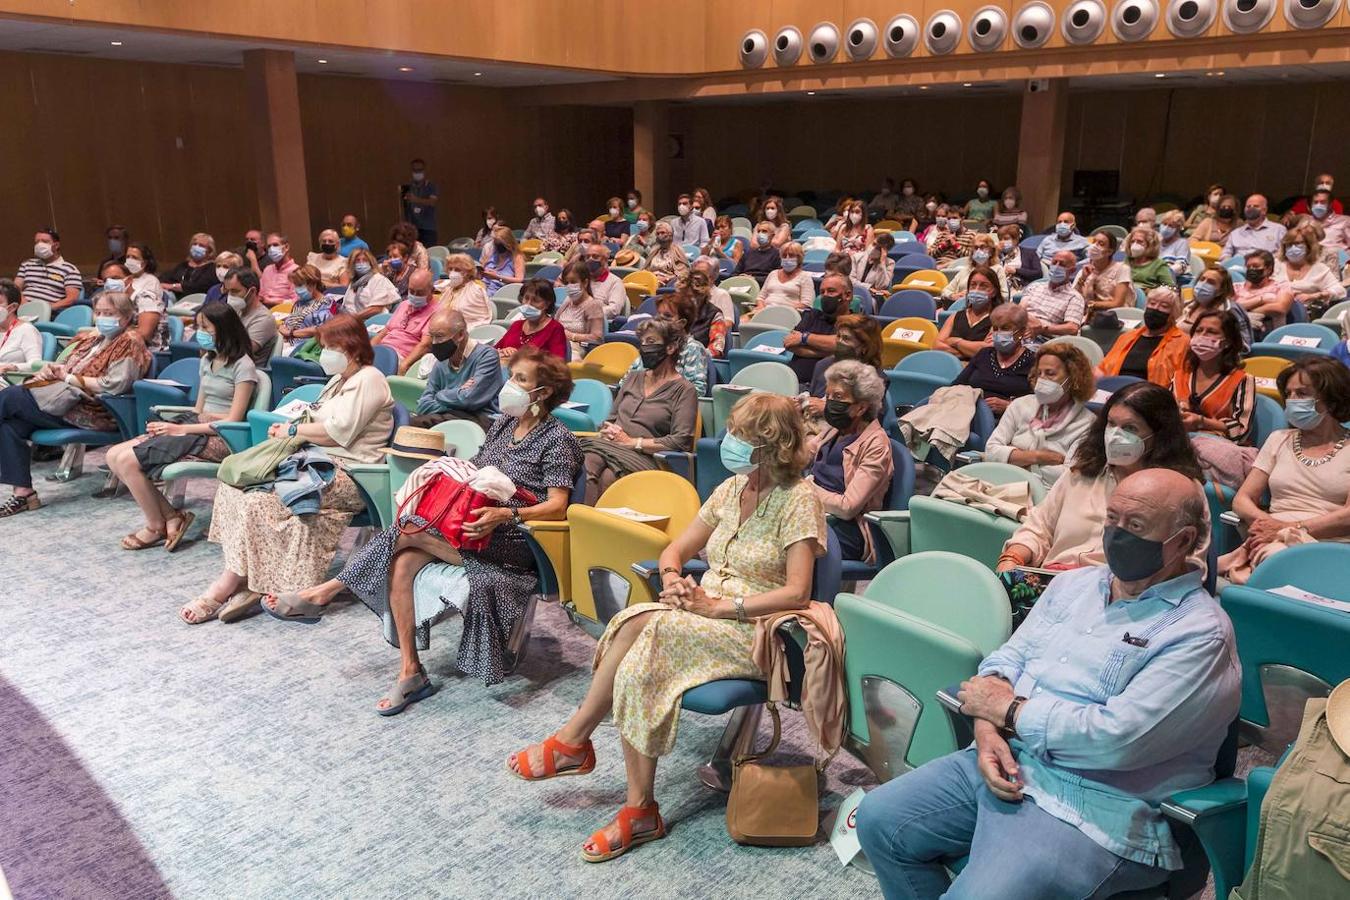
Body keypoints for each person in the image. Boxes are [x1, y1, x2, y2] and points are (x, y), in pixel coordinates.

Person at [858, 468, 1237, 900]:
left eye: (1135, 527)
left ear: (1183, 541)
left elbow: (1118, 738)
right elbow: (1006, 661)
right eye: (1112, 520)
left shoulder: (1200, 633)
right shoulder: (1074, 585)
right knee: (880, 820)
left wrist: (1010, 713)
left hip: (1096, 806)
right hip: (1009, 760)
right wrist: (985, 732)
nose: (1117, 535)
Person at [506, 392, 827, 861]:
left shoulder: (799, 500)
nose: (728, 440)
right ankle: (636, 807)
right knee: (636, 641)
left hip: (756, 627)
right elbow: (673, 551)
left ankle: (579, 746)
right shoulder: (731, 489)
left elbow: (798, 593)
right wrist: (675, 580)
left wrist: (720, 606)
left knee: (644, 627)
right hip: (701, 612)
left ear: (770, 444)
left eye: (741, 434)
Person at [268, 346, 583, 694]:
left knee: (406, 529)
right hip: (469, 526)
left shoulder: (559, 440)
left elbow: (557, 506)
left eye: (521, 380)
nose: (511, 386)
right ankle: (410, 670)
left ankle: (324, 593)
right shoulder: (504, 424)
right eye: (512, 377)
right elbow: (475, 468)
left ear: (545, 391)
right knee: (402, 563)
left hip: (516, 539)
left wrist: (504, 514)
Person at [182, 314, 394, 623]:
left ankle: (228, 586)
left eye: (331, 346)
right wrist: (290, 425)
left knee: (259, 499)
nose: (324, 354)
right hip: (315, 461)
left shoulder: (370, 378)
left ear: (352, 347)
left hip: (353, 474)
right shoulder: (338, 380)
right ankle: (251, 577)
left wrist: (294, 432)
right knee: (236, 489)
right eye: (324, 346)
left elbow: (338, 432)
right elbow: (314, 418)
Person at [997, 381, 1205, 572]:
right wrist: (1013, 557)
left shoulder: (1182, 491)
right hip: (1053, 583)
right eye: (1111, 424)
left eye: (1130, 428)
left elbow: (1188, 565)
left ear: (1159, 435)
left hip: (1123, 597)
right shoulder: (1083, 472)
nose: (1115, 435)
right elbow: (1039, 527)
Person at [104, 304, 259, 550]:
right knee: (113, 456)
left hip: (221, 437)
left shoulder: (244, 366)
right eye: (199, 326)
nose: (200, 332)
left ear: (224, 329)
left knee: (127, 461)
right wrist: (173, 424)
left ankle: (156, 525)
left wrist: (182, 430)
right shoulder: (207, 359)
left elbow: (234, 419)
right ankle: (172, 516)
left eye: (206, 327)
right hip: (196, 427)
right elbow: (198, 410)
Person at [0, 291, 152, 517]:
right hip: (61, 400)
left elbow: (116, 385)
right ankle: (24, 494)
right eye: (98, 312)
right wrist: (50, 370)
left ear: (127, 316)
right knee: (9, 425)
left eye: (109, 313)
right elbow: (66, 368)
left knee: (12, 395)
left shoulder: (130, 342)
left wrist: (69, 379)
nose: (102, 317)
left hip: (94, 410)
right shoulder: (94, 338)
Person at [1222, 356, 1350, 582]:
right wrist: (1266, 524)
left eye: (1301, 394)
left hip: (1328, 546)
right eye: (1288, 395)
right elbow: (1242, 499)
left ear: (1331, 399)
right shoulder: (1279, 439)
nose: (1292, 401)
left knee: (1273, 559)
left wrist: (1289, 528)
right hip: (1269, 539)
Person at [581, 318, 698, 503]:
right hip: (610, 445)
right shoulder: (633, 378)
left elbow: (681, 441)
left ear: (670, 348)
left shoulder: (685, 390)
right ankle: (579, 521)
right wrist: (607, 429)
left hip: (645, 456)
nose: (644, 348)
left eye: (650, 342)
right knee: (585, 462)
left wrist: (634, 442)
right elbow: (611, 418)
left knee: (609, 478)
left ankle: (595, 527)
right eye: (642, 342)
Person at [807, 360, 894, 562]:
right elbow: (804, 453)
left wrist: (805, 490)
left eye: (837, 397)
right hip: (816, 513)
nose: (829, 403)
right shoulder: (835, 429)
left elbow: (848, 507)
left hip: (849, 529)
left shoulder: (876, 444)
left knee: (787, 539)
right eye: (827, 396)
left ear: (861, 407)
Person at [984, 343, 1096, 490]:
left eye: (1050, 373)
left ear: (1072, 378)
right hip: (1002, 483)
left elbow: (1069, 476)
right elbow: (991, 451)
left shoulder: (1087, 423)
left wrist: (1012, 456)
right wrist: (1039, 457)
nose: (1041, 380)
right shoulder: (1020, 405)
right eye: (1039, 373)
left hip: (1048, 495)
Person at [1174, 308, 1257, 482]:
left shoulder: (1242, 380)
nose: (1202, 336)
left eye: (1211, 332)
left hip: (1219, 451)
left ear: (1227, 342)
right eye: (1199, 330)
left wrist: (1200, 422)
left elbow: (1241, 430)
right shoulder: (1179, 375)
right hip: (1181, 445)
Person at [411, 308, 503, 430]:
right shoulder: (441, 361)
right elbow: (423, 405)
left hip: (480, 419)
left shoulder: (487, 356)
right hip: (448, 416)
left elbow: (469, 399)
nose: (434, 343)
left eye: (439, 336)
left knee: (416, 424)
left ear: (460, 335)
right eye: (432, 336)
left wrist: (439, 394)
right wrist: (458, 392)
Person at [954, 303, 1035, 415]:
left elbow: (1039, 403)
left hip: (1009, 420)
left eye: (1005, 328)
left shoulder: (1034, 361)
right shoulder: (984, 354)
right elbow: (956, 385)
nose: (999, 333)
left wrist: (1009, 405)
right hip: (969, 413)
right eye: (996, 328)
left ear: (1021, 332)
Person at [1098, 286, 1189, 386]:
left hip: (1151, 396)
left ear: (1173, 313)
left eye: (1164, 306)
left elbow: (1182, 382)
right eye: (1152, 303)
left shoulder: (1182, 342)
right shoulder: (1127, 337)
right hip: (1115, 391)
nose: (1155, 308)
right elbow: (1103, 368)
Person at [623, 290, 710, 395]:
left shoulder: (692, 348)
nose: (660, 320)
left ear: (682, 323)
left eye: (667, 316)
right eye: (658, 314)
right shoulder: (650, 344)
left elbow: (697, 391)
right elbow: (625, 382)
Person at [806, 314, 884, 406]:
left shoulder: (875, 378)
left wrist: (826, 409)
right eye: (838, 336)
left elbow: (870, 417)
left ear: (865, 346)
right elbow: (813, 397)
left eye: (846, 338)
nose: (840, 342)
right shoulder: (823, 365)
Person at [784, 272, 848, 385]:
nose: (825, 295)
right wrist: (829, 353)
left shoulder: (857, 322)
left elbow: (841, 344)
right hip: (794, 383)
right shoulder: (811, 315)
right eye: (822, 292)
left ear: (847, 295)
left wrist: (804, 338)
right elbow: (789, 343)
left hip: (828, 389)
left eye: (831, 291)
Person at [372, 269, 438, 374]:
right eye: (411, 291)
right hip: (382, 350)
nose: (414, 295)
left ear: (432, 290)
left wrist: (405, 365)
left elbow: (425, 345)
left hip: (401, 357)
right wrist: (367, 350)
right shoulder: (404, 304)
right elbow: (384, 332)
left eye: (420, 292)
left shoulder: (437, 313)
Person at [1178, 265, 1253, 352]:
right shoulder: (1189, 305)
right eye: (1202, 279)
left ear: (1220, 291)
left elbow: (1244, 346)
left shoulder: (1230, 310)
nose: (1203, 284)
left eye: (1211, 282)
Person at [1276, 228, 1345, 320]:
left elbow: (1340, 291)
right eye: (1289, 244)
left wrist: (1315, 295)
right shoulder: (1275, 264)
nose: (1293, 248)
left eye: (1298, 244)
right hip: (1275, 311)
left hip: (1307, 314)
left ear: (1309, 246)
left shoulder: (1319, 268)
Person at [937, 265, 1003, 360]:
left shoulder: (999, 319)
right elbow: (937, 346)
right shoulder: (955, 316)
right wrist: (971, 350)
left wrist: (955, 341)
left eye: (984, 286)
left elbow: (987, 351)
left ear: (994, 292)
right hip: (948, 365)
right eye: (973, 285)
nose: (977, 289)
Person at [1021, 250, 1087, 343]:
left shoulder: (1074, 297)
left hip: (1046, 340)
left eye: (1062, 265)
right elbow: (1020, 309)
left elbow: (1072, 328)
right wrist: (1030, 321)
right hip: (1022, 332)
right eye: (1054, 262)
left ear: (1072, 271)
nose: (1056, 267)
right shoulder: (1035, 286)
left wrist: (1043, 328)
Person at [220, 267, 279, 367]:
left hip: (249, 373)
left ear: (252, 291)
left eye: (235, 291)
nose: (230, 296)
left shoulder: (264, 318)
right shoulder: (236, 310)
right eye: (228, 291)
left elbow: (241, 352)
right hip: (227, 368)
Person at [497, 278, 567, 360]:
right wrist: (502, 351)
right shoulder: (517, 325)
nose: (528, 304)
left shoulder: (555, 328)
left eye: (535, 300)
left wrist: (520, 357)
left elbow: (557, 364)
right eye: (526, 298)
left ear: (547, 304)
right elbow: (494, 350)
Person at [15, 227, 81, 311]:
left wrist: (46, 309)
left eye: (44, 241)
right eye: (37, 242)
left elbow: (71, 299)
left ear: (56, 245)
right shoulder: (27, 264)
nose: (39, 245)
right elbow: (15, 288)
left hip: (49, 312)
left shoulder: (70, 269)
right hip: (21, 308)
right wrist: (24, 303)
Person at [1233, 250, 1294, 338]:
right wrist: (1262, 300)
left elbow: (1280, 308)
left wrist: (1243, 313)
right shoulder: (1236, 287)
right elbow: (1228, 309)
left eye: (1256, 266)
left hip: (1269, 334)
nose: (1251, 269)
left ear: (1268, 269)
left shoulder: (1281, 286)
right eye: (1248, 267)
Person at [940, 235, 1010, 306]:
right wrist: (953, 296)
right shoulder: (966, 270)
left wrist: (980, 296)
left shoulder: (997, 269)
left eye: (982, 247)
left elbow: (1005, 296)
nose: (979, 251)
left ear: (991, 251)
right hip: (961, 307)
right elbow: (945, 291)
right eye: (976, 248)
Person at [123, 243, 169, 351]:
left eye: (134, 257)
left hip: (146, 343)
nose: (130, 260)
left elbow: (145, 331)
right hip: (126, 333)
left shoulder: (150, 282)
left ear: (144, 263)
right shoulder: (125, 280)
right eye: (128, 257)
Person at [1074, 230, 1134, 312]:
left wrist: (1091, 304)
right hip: (1090, 314)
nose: (1094, 246)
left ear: (1109, 252)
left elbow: (1118, 303)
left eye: (1101, 244)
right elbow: (1073, 297)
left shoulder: (1122, 269)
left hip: (1115, 315)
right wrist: (1083, 278)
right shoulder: (1085, 269)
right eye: (1094, 242)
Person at [556, 260, 605, 360]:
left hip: (576, 350)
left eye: (573, 282)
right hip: (557, 344)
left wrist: (572, 336)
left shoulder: (593, 305)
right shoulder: (567, 301)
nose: (569, 286)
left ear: (585, 282)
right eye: (567, 282)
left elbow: (597, 338)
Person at [277, 264, 332, 348]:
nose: (296, 289)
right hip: (285, 343)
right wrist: (281, 327)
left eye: (299, 285)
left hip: (306, 347)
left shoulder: (327, 303)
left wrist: (291, 333)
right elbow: (289, 322)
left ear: (313, 284)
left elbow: (322, 329)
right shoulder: (299, 303)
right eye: (295, 285)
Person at [338, 248, 399, 322]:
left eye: (365, 260)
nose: (361, 263)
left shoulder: (378, 279)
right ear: (352, 264)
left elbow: (376, 308)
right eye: (357, 261)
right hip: (352, 321)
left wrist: (352, 318)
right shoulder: (354, 282)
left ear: (371, 263)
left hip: (372, 322)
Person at [437, 253, 493, 331]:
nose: (453, 273)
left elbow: (481, 321)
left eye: (457, 270)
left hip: (466, 333)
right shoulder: (449, 288)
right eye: (450, 269)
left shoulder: (476, 291)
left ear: (468, 272)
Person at [752, 242, 815, 311]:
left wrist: (782, 310)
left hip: (788, 314)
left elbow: (806, 303)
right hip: (764, 311)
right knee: (742, 320)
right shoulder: (773, 273)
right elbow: (760, 297)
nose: (787, 258)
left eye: (791, 255)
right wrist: (761, 307)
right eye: (784, 256)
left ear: (799, 258)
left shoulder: (805, 277)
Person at [1222, 194, 1286, 259]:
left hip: (1266, 267)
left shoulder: (1279, 230)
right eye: (1248, 206)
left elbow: (1283, 254)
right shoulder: (1235, 233)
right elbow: (1225, 254)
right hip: (1237, 267)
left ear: (1264, 210)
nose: (1251, 209)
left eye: (1256, 206)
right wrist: (1227, 262)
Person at [0, 280, 42, 372]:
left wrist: (12, 367)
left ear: (13, 307)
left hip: (9, 380)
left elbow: (35, 365)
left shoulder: (27, 330)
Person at [160, 233, 219, 298]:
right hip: (177, 300)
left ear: (210, 250)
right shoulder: (183, 266)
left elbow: (200, 286)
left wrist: (173, 286)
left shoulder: (212, 268)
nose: (197, 247)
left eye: (201, 245)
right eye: (195, 244)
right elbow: (166, 279)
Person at [401, 158, 438, 246]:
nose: (417, 173)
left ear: (424, 171)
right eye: (415, 170)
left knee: (428, 252)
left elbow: (432, 202)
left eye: (420, 170)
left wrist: (415, 199)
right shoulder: (409, 187)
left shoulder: (430, 186)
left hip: (428, 229)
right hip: (412, 229)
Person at [1126, 226, 1176, 291]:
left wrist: (1152, 291)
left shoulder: (1158, 264)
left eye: (1140, 242)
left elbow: (1171, 288)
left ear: (1150, 245)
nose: (1135, 244)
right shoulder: (1128, 260)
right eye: (1132, 241)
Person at [583, 243, 627, 319]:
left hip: (598, 322)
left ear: (605, 259)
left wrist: (589, 313)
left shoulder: (615, 282)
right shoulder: (582, 279)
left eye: (595, 256)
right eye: (587, 257)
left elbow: (614, 310)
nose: (590, 259)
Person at [481, 226, 526, 296]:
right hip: (483, 288)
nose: (497, 246)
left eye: (500, 243)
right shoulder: (492, 252)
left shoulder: (517, 257)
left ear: (507, 243)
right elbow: (482, 267)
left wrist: (498, 277)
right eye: (495, 243)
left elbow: (519, 280)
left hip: (501, 292)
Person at [258, 233, 299, 307]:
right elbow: (260, 294)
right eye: (269, 246)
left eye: (275, 245)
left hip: (284, 311)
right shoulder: (267, 269)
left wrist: (273, 301)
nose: (271, 249)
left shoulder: (296, 271)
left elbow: (296, 301)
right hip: (264, 309)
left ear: (286, 247)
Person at [643, 220, 688, 287]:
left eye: (662, 232)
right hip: (651, 279)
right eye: (657, 234)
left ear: (670, 234)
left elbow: (682, 274)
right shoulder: (654, 250)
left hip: (668, 283)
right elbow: (646, 269)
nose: (660, 235)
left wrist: (666, 279)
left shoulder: (677, 251)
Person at [1306, 187, 1349, 255]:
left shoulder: (1345, 221)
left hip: (1336, 261)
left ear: (1330, 204)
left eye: (1323, 202)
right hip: (1310, 261)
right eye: (1315, 202)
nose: (1318, 205)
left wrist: (1342, 262)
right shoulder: (1305, 221)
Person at [854, 232, 895, 297]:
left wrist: (882, 263)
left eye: (878, 247)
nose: (873, 248)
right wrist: (869, 288)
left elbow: (880, 286)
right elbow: (850, 280)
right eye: (874, 244)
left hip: (871, 297)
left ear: (884, 251)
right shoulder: (856, 257)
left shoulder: (889, 263)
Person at [1158, 210, 1191, 282]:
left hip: (1175, 281)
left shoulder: (1182, 243)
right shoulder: (1156, 240)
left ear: (1177, 229)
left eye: (1170, 226)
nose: (1165, 228)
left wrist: (1165, 272)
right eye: (1164, 224)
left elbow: (1181, 266)